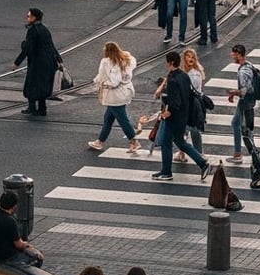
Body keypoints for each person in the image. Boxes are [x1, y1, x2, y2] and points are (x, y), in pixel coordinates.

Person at [151, 52, 211, 181]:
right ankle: (202, 163)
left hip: (173, 117)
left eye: (167, 62)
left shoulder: (173, 80)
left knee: (166, 143)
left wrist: (168, 112)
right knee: (180, 142)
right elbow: (188, 95)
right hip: (183, 116)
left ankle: (166, 172)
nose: (166, 64)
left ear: (171, 62)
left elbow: (175, 102)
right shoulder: (183, 76)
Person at [89, 42, 139, 153]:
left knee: (123, 120)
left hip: (114, 97)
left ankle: (134, 142)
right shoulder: (127, 58)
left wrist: (98, 82)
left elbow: (109, 80)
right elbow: (133, 64)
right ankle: (100, 142)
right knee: (108, 119)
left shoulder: (106, 62)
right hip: (125, 93)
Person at [13, 8, 62, 116]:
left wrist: (17, 63)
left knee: (32, 84)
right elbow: (51, 45)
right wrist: (59, 59)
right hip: (48, 61)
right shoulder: (44, 29)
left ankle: (32, 108)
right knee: (42, 84)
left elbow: (27, 49)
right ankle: (42, 108)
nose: (27, 18)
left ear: (34, 18)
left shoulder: (33, 31)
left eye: (29, 16)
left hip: (37, 62)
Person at [0, 191, 44, 267]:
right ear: (14, 206)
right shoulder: (10, 221)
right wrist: (29, 247)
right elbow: (19, 245)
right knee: (38, 257)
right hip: (6, 257)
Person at [169, 48, 207, 162]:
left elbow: (189, 90)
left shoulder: (195, 74)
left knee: (193, 129)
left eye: (192, 57)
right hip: (185, 103)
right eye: (188, 56)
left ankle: (199, 153)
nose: (190, 59)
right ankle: (182, 153)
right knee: (182, 128)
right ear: (184, 58)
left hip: (193, 104)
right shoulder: (183, 72)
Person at [226, 44, 256, 164]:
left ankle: (242, 154)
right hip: (250, 100)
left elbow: (244, 91)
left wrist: (234, 92)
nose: (232, 55)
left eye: (233, 53)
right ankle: (241, 153)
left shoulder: (242, 72)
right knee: (243, 126)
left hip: (246, 101)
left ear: (238, 54)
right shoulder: (249, 65)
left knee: (244, 128)